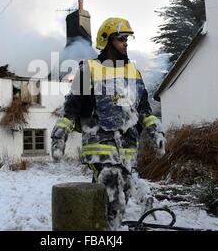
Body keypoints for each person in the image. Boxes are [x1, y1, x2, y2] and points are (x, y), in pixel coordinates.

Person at [51, 17, 167, 230]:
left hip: (127, 148)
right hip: (100, 145)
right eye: (120, 38)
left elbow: (143, 109)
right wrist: (60, 135)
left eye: (127, 39)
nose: (125, 43)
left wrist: (155, 131)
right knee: (112, 187)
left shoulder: (134, 72)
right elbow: (72, 107)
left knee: (119, 196)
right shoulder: (89, 69)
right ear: (106, 40)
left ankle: (101, 227)